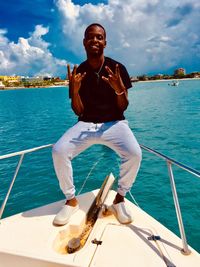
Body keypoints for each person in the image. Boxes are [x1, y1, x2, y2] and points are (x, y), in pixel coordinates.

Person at [52, 23, 142, 225]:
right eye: (90, 37)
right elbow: (78, 111)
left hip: (114, 123)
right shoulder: (79, 72)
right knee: (59, 151)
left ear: (105, 42)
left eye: (99, 37)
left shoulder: (117, 68)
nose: (95, 40)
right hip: (86, 124)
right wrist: (74, 91)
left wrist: (119, 89)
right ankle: (71, 201)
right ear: (84, 42)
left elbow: (124, 106)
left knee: (134, 154)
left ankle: (119, 199)